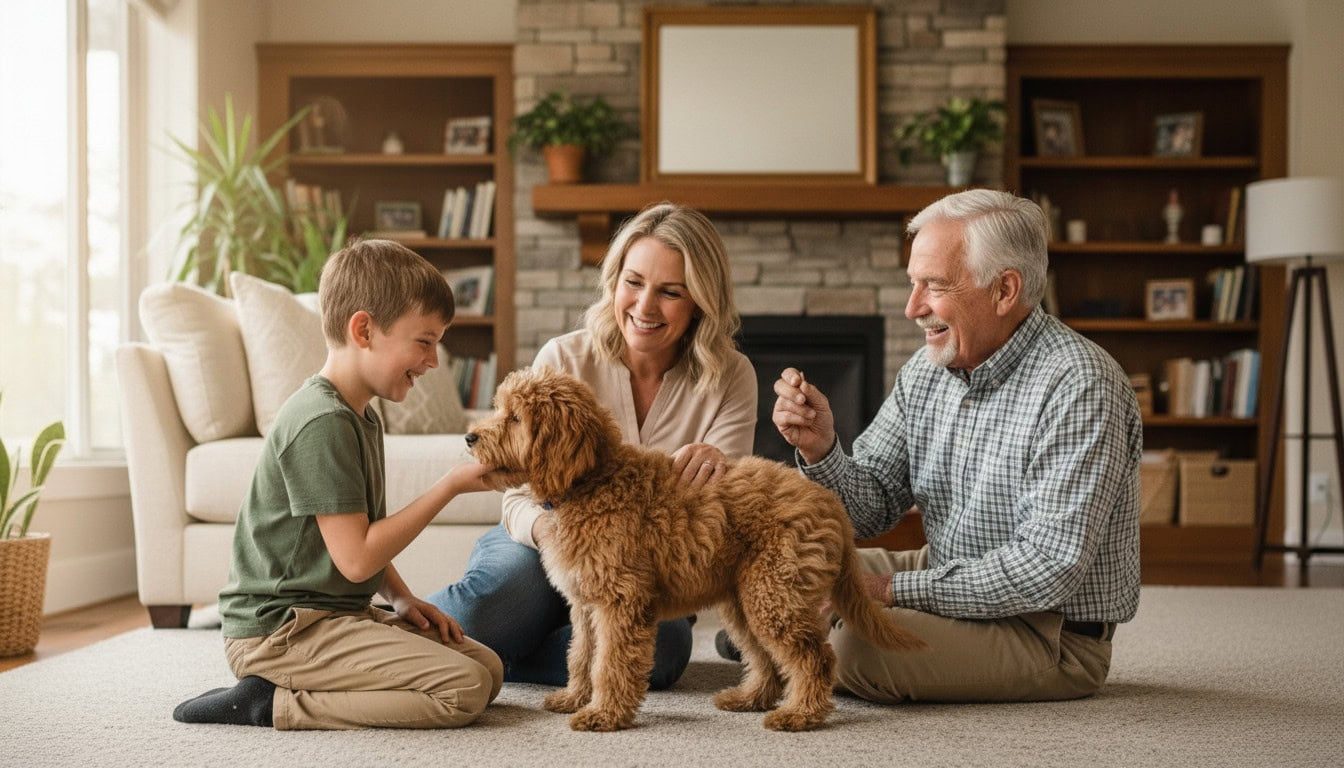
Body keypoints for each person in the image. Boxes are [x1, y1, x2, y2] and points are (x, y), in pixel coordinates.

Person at [758, 188, 1142, 703]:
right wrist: (821, 450)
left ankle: (789, 639)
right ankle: (786, 632)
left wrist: (888, 593)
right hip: (947, 574)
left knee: (855, 650)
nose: (913, 307)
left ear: (1005, 290)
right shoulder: (929, 368)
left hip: (1046, 631)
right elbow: (870, 508)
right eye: (913, 283)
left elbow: (1049, 567)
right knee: (779, 563)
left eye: (933, 286)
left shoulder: (1081, 384)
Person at [173, 240, 504, 729]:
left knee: (489, 670)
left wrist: (401, 598)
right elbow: (356, 559)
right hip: (279, 632)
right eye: (425, 341)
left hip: (331, 617)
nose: (433, 361)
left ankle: (298, 686)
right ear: (364, 329)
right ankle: (271, 703)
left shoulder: (361, 416)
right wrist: (450, 485)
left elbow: (357, 531)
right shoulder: (321, 421)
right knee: (464, 689)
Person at [429, 202, 758, 690]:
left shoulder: (731, 376)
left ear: (701, 302)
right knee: (480, 614)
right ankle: (453, 640)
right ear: (614, 281)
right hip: (544, 534)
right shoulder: (564, 356)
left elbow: (721, 506)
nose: (644, 307)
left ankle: (508, 658)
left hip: (645, 562)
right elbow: (518, 493)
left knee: (662, 653)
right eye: (633, 282)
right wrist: (556, 537)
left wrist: (720, 463)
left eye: (670, 292)